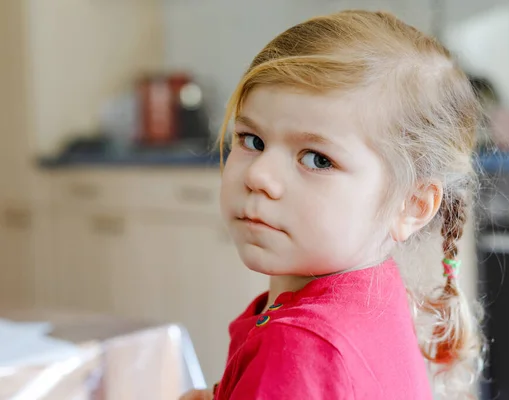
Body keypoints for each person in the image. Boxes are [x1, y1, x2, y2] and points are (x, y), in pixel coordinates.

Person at [181, 9, 484, 400]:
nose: (259, 176)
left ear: (411, 205)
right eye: (252, 140)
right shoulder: (372, 295)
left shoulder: (300, 347)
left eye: (317, 159)